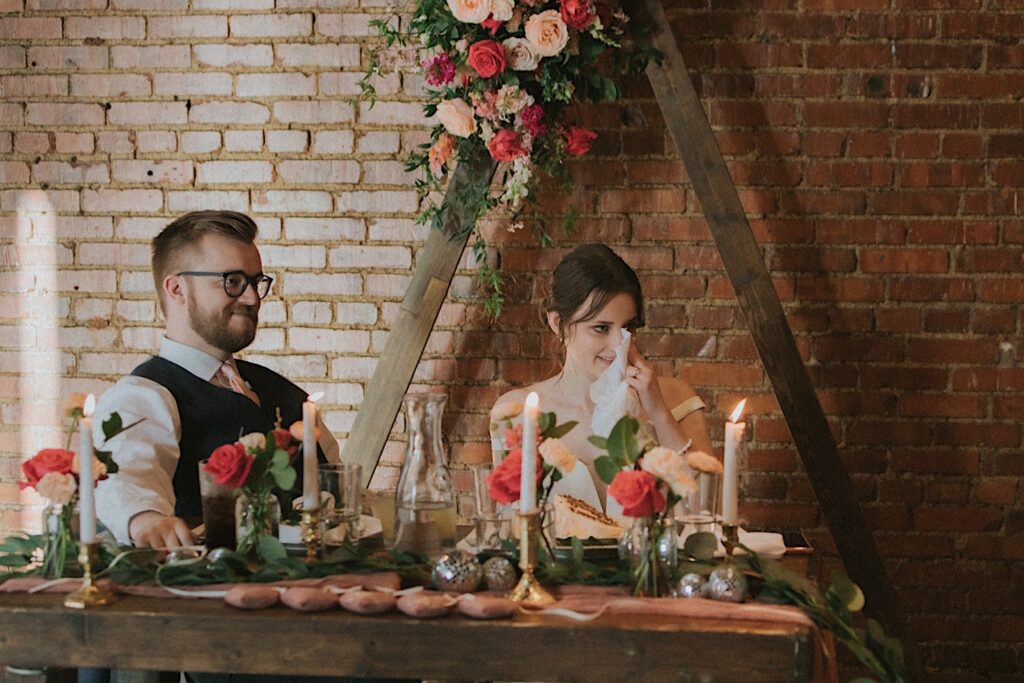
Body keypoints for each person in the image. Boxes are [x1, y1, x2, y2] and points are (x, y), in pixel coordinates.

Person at [94, 211, 339, 549]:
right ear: (177, 288)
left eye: (256, 282)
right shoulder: (143, 396)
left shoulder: (278, 388)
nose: (252, 298)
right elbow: (128, 474)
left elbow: (334, 482)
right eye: (233, 281)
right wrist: (144, 518)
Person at [491, 243, 713, 520]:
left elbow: (706, 510)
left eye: (629, 327)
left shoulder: (677, 397)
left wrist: (658, 411)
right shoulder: (516, 411)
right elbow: (509, 523)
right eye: (601, 328)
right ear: (558, 324)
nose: (619, 344)